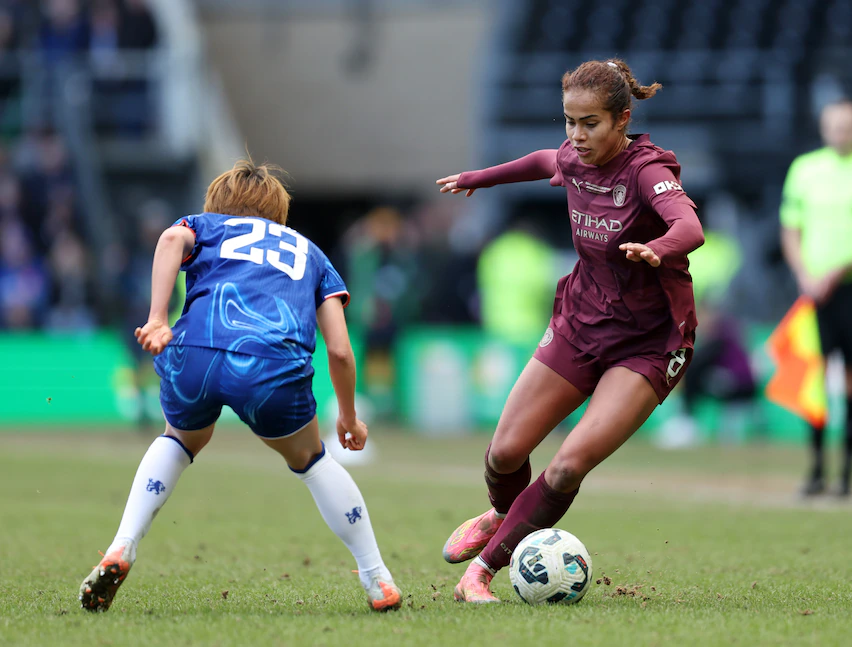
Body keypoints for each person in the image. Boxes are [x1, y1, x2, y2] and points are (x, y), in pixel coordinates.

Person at [78, 159, 402, 613]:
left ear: (219, 203)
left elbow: (171, 239)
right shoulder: (311, 254)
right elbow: (342, 352)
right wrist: (347, 417)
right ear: (279, 212)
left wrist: (156, 317)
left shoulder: (208, 225)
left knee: (180, 439)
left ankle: (122, 544)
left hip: (197, 351)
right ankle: (376, 578)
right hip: (273, 365)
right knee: (311, 460)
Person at [435, 58, 704, 603]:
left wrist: (657, 247)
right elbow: (542, 160)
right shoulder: (574, 156)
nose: (576, 137)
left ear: (622, 120)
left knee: (565, 467)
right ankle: (504, 516)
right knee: (505, 454)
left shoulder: (647, 171)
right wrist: (479, 179)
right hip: (582, 321)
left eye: (590, 124)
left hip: (649, 344)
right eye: (569, 122)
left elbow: (690, 227)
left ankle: (480, 573)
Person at [780, 98, 852, 498]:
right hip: (814, 291)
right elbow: (791, 229)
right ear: (823, 127)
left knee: (850, 380)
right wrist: (804, 274)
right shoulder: (805, 169)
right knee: (815, 379)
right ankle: (816, 470)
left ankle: (846, 475)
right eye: (834, 125)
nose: (840, 132)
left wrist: (839, 269)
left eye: (848, 125)